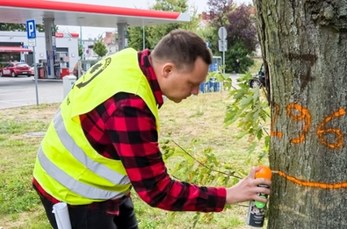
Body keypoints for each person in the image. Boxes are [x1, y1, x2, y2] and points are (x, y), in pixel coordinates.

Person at [32, 29, 271, 229]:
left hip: (104, 187)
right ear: (167, 70)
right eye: (192, 83)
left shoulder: (130, 60)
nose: (196, 92)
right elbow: (157, 191)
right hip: (73, 194)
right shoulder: (129, 105)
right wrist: (229, 195)